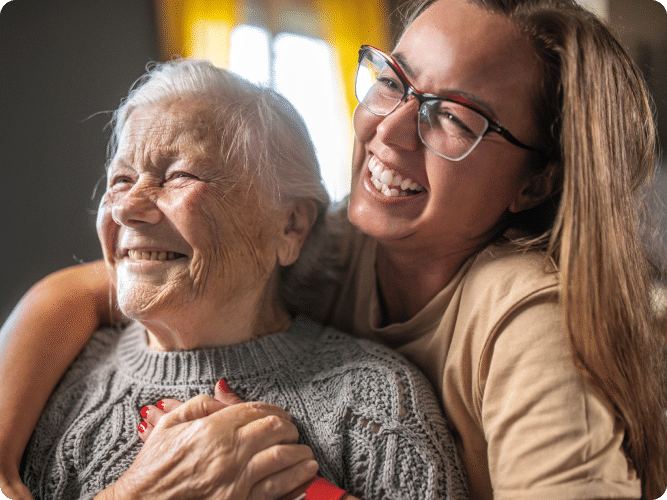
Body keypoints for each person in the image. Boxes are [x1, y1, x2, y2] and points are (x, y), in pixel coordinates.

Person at [1, 0, 666, 498]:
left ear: (535, 182)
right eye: (392, 80)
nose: (389, 130)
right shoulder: (338, 240)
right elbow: (108, 281)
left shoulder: (528, 325)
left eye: (454, 117)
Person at [1, 59, 467, 500]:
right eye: (121, 180)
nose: (125, 206)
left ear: (291, 227)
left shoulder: (375, 404)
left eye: (179, 175)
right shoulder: (49, 371)